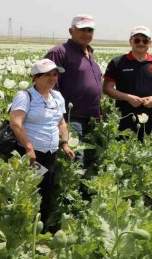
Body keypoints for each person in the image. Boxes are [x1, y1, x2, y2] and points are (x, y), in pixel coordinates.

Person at [9, 59, 75, 230]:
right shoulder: (25, 96)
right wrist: (29, 148)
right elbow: (16, 123)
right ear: (35, 77)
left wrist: (65, 143)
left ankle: (41, 226)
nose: (53, 78)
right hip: (31, 152)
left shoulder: (57, 96)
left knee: (46, 189)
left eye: (55, 75)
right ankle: (24, 226)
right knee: (29, 189)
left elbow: (61, 123)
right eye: (48, 75)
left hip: (50, 151)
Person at [45, 14, 102, 168]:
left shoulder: (89, 54)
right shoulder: (59, 53)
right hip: (71, 117)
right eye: (82, 29)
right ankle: (70, 190)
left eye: (90, 30)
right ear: (71, 31)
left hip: (92, 117)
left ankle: (84, 191)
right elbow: (48, 86)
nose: (87, 33)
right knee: (75, 160)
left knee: (90, 160)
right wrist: (58, 117)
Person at [103, 26, 152, 140]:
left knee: (148, 149)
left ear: (150, 42)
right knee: (124, 149)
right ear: (130, 42)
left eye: (145, 40)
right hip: (124, 115)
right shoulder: (117, 62)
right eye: (137, 40)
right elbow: (107, 88)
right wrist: (128, 98)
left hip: (150, 115)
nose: (141, 43)